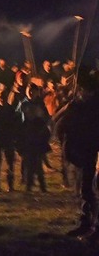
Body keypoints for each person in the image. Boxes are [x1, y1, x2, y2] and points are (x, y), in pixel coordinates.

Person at [56, 69, 99, 240]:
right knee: (85, 188)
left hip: (92, 150)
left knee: (91, 187)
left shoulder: (90, 106)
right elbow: (58, 121)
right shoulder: (79, 105)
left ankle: (92, 225)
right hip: (84, 150)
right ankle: (86, 222)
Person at [16, 84, 51, 192]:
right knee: (29, 162)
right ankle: (29, 185)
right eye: (29, 91)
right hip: (27, 137)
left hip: (38, 136)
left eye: (33, 91)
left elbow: (46, 119)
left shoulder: (40, 104)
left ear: (36, 92)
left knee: (38, 162)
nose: (31, 93)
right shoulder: (23, 104)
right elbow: (18, 120)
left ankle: (41, 186)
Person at [0, 89, 19, 192]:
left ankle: (10, 185)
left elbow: (15, 125)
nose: (1, 99)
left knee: (10, 164)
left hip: (8, 139)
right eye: (0, 98)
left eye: (3, 97)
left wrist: (15, 138)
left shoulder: (10, 110)